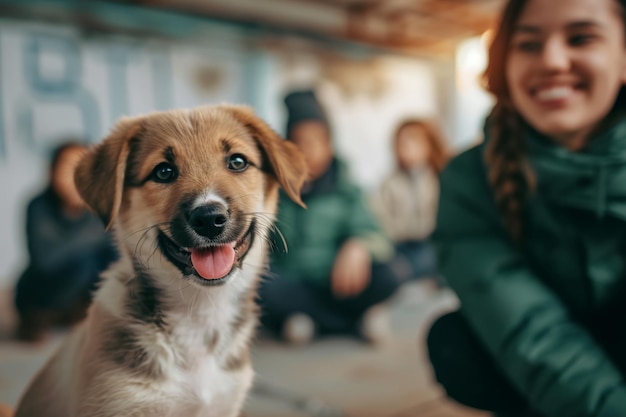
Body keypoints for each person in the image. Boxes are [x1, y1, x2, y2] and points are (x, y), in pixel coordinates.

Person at [426, 0, 626, 416]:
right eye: (529, 44)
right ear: (504, 66)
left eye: (581, 38)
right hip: (552, 365)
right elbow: (531, 332)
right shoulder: (469, 179)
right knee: (454, 343)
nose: (552, 60)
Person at [258, 90, 400, 346]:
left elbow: (379, 237)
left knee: (390, 274)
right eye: (299, 141)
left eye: (316, 141)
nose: (308, 150)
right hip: (295, 283)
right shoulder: (271, 190)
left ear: (330, 144)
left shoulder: (348, 190)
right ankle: (353, 321)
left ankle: (307, 321)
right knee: (258, 286)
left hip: (341, 285)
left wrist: (360, 246)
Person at [14, 142, 117, 342]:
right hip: (41, 292)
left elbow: (116, 251)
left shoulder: (102, 205)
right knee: (84, 263)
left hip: (81, 295)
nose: (74, 175)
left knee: (115, 259)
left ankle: (88, 317)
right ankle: (37, 318)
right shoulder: (38, 206)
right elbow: (46, 259)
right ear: (52, 172)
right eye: (67, 167)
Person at [371, 118, 448, 282]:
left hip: (434, 243)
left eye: (413, 140)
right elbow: (380, 220)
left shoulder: (442, 179)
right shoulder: (390, 184)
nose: (406, 146)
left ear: (429, 143)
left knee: (428, 256)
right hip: (401, 246)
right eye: (401, 142)